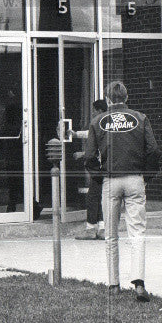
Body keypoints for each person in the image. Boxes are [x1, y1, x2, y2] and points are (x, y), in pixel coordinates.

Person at [85, 80, 161, 302]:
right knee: (137, 232)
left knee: (110, 234)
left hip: (110, 180)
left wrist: (99, 176)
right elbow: (153, 150)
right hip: (135, 177)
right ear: (126, 98)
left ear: (108, 99)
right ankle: (138, 283)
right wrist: (146, 175)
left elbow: (89, 157)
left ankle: (113, 284)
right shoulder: (140, 118)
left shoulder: (97, 121)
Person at [74, 98, 109, 240]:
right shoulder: (108, 123)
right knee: (100, 196)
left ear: (99, 111)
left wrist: (83, 154)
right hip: (107, 167)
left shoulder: (100, 123)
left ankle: (91, 228)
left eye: (94, 110)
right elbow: (90, 134)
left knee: (93, 197)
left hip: (100, 167)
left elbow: (96, 145)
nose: (93, 113)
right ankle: (102, 228)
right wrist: (75, 134)